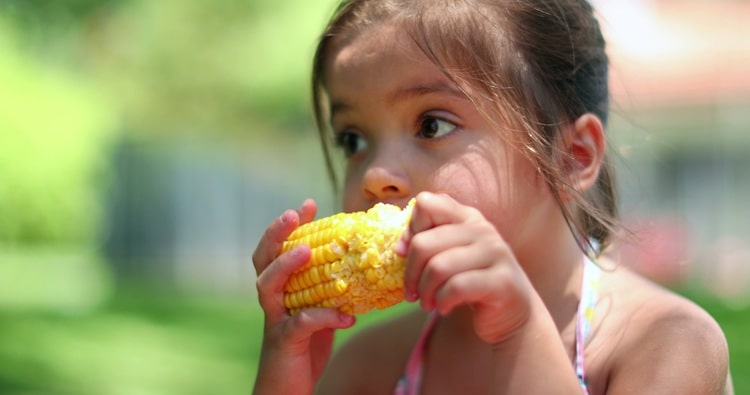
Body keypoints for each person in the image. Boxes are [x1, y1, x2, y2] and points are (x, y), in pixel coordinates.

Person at [251, 0, 733, 394]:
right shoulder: (371, 366)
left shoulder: (665, 343)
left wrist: (518, 331)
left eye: (431, 125)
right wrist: (286, 378)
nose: (375, 175)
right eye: (353, 139)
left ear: (572, 157)